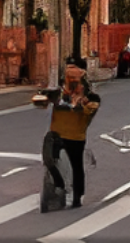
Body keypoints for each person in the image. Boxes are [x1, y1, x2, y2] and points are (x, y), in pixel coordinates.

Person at [32, 62, 100, 209]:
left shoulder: (92, 97)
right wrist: (46, 97)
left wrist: (80, 103)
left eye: (75, 79)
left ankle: (77, 197)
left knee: (76, 166)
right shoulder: (58, 94)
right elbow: (42, 103)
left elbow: (89, 111)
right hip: (56, 134)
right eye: (69, 78)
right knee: (49, 159)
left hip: (76, 137)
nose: (72, 82)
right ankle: (58, 184)